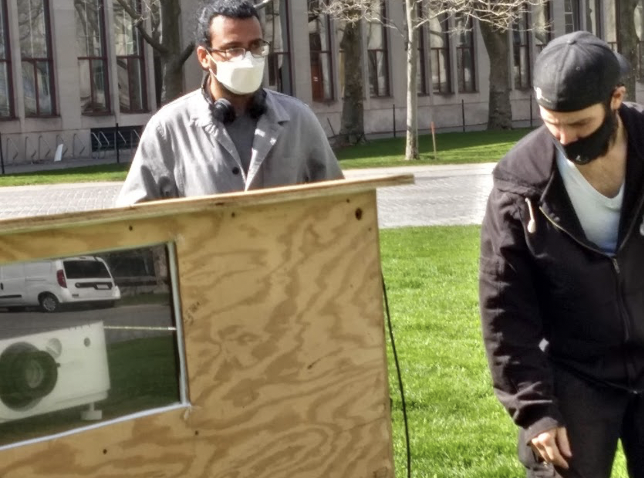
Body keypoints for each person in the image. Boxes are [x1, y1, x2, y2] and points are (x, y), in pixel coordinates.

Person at [479, 31, 644, 478]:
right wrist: (535, 411)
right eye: (553, 123)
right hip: (576, 370)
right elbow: (504, 310)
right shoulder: (519, 186)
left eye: (580, 125)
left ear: (616, 98)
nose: (566, 138)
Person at [116, 0, 343, 206]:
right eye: (233, 48)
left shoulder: (299, 119)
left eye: (255, 46)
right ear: (205, 57)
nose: (246, 58)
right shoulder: (168, 128)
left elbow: (340, 204)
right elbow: (132, 221)